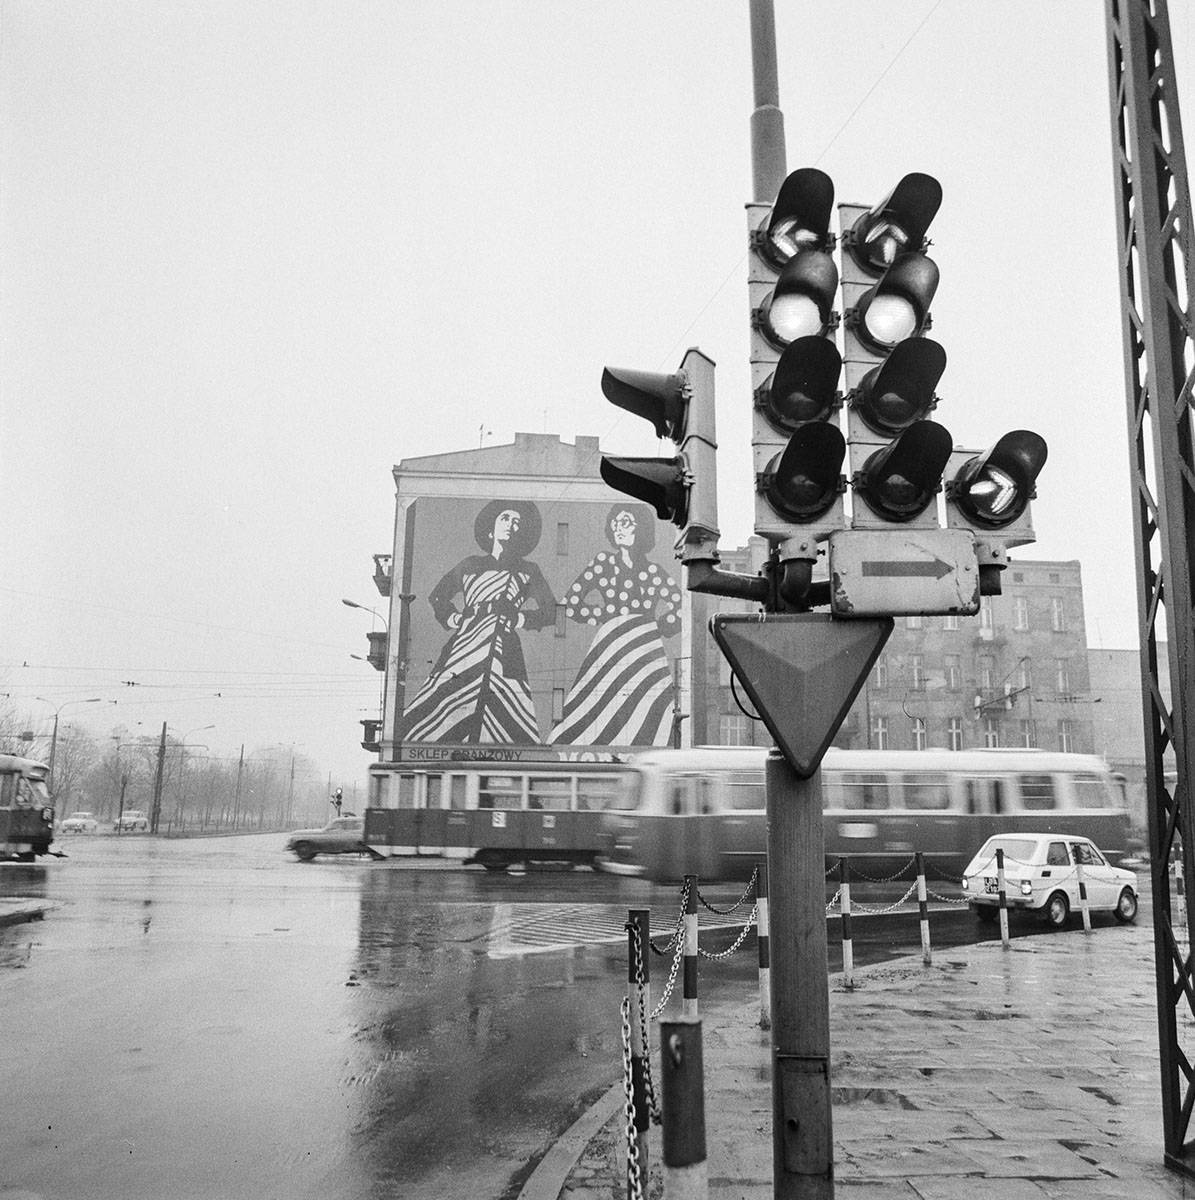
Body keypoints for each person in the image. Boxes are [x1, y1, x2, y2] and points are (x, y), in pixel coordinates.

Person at [397, 500, 556, 744]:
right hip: (466, 642)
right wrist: (455, 618)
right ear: (491, 528)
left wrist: (519, 618)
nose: (511, 525)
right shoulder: (470, 565)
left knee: (508, 707)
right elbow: (438, 596)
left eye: (517, 522)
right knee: (444, 699)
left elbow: (550, 611)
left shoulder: (528, 570)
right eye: (505, 519)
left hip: (504, 646)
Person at [548, 502, 682, 747]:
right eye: (616, 522)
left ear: (641, 529)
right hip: (611, 643)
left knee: (650, 706)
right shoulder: (604, 562)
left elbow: (678, 605)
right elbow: (570, 603)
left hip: (645, 648)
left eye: (627, 522)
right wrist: (603, 615)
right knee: (598, 703)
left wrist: (658, 625)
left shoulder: (653, 570)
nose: (619, 528)